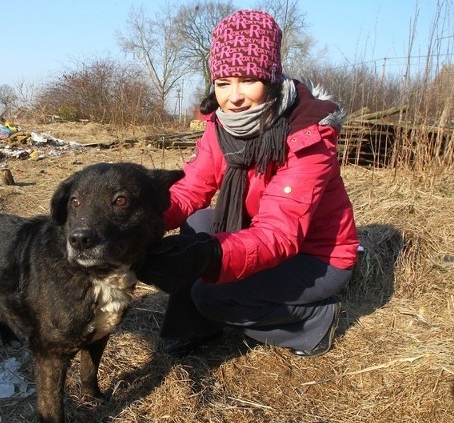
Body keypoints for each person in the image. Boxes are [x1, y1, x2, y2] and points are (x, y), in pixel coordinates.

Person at [134, 9, 360, 357]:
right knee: (197, 222)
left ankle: (316, 322)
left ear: (270, 79)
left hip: (317, 257)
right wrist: (141, 224)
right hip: (260, 232)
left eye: (247, 80)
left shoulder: (306, 135)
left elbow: (280, 234)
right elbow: (191, 187)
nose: (233, 97)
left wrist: (208, 256)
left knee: (212, 293)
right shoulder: (220, 125)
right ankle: (195, 327)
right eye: (223, 83)